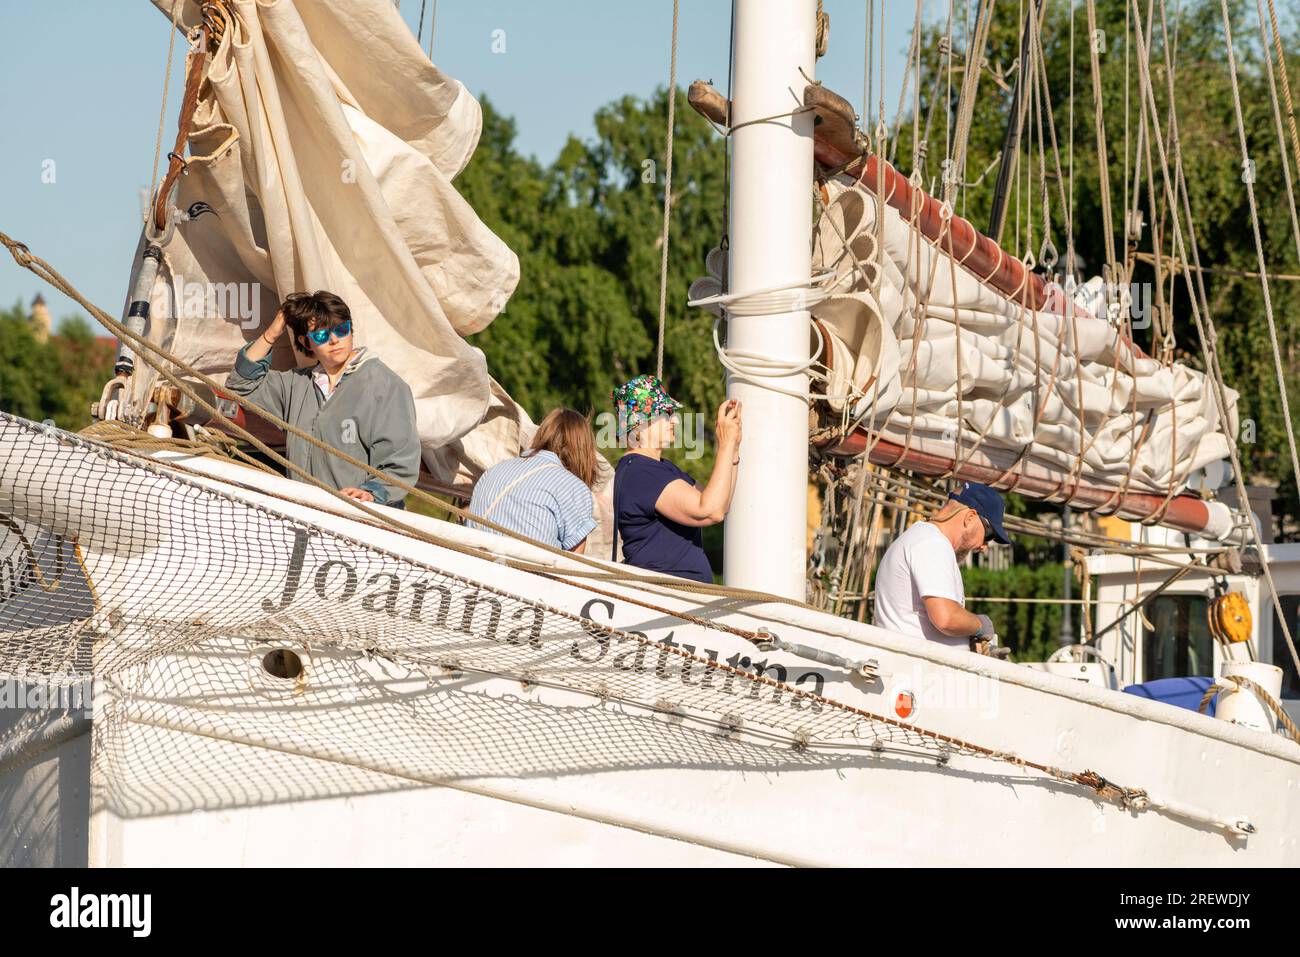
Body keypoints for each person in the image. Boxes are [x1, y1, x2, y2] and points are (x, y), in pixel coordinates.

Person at [225, 290, 421, 508]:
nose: (335, 340)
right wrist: (273, 332)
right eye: (321, 335)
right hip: (305, 515)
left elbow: (401, 463)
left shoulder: (386, 386)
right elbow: (240, 384)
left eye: (341, 329)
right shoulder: (297, 384)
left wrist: (371, 494)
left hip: (362, 520)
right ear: (306, 342)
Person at [610, 374, 742, 584]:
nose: (675, 419)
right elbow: (710, 511)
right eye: (666, 413)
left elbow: (720, 504)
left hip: (676, 600)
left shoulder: (659, 468)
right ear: (640, 423)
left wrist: (732, 449)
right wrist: (724, 444)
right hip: (666, 602)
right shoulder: (642, 474)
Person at [872, 482, 1012, 650]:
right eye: (988, 536)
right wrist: (980, 625)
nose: (984, 546)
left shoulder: (921, 538)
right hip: (919, 671)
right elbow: (946, 618)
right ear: (970, 518)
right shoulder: (932, 543)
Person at [467, 408, 599, 552]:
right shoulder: (574, 488)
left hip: (472, 566)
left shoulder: (494, 470)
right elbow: (572, 566)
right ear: (583, 449)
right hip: (525, 572)